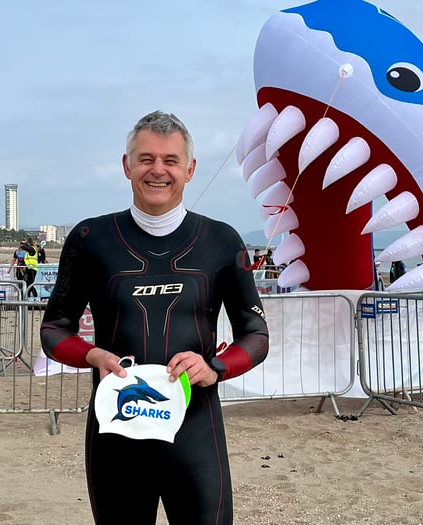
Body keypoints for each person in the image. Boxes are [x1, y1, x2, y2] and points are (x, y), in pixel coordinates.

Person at [40, 111, 269, 524]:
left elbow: (256, 334)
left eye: (170, 160)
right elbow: (54, 329)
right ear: (127, 166)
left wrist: (214, 367)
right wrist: (94, 356)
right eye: (145, 159)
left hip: (195, 432)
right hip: (116, 435)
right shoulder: (92, 239)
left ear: (190, 169)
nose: (158, 170)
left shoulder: (221, 241)